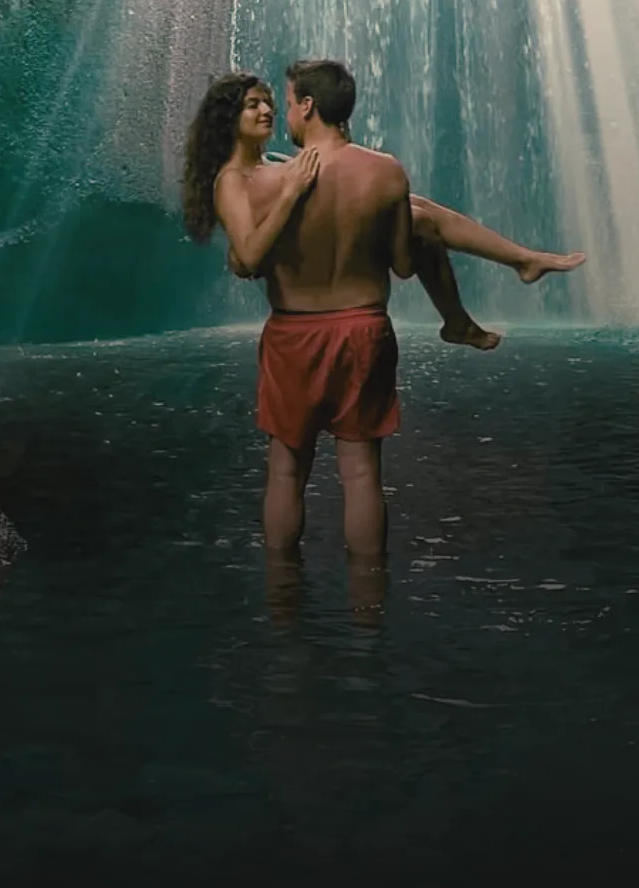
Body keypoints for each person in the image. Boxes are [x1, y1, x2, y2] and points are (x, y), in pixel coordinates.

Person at [182, 61, 584, 560]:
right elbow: (248, 258)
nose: (268, 109)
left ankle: (286, 599)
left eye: (272, 100)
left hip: (296, 334)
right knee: (357, 472)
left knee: (289, 471)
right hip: (360, 328)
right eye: (254, 104)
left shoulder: (282, 169)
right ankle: (365, 604)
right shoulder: (256, 180)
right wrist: (303, 198)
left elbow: (255, 256)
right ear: (228, 119)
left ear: (307, 107)